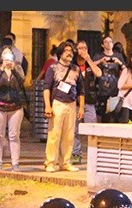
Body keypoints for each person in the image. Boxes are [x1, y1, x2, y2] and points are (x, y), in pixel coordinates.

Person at [43, 41, 84, 173]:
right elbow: (46, 88)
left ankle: (66, 162)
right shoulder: (53, 68)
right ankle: (50, 162)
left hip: (71, 104)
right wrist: (47, 106)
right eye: (66, 50)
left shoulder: (76, 69)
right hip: (58, 103)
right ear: (60, 52)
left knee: (69, 135)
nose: (69, 53)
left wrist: (81, 108)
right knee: (54, 134)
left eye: (71, 51)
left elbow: (81, 91)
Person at [0, 44, 26, 171]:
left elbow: (22, 82)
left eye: (10, 54)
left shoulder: (18, 68)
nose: (8, 56)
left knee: (14, 135)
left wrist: (14, 69)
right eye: (5, 54)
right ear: (1, 56)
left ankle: (15, 163)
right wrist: (2, 69)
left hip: (15, 107)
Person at [72, 39, 103, 163]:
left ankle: (93, 155)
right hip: (75, 102)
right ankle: (76, 154)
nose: (83, 50)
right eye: (80, 48)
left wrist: (89, 60)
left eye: (85, 48)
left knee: (92, 128)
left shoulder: (90, 65)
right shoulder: (73, 65)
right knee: (75, 130)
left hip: (89, 101)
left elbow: (99, 73)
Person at [93, 35, 125, 124]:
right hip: (102, 90)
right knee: (104, 116)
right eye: (106, 42)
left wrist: (119, 62)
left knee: (115, 115)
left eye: (110, 41)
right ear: (102, 45)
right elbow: (90, 66)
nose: (109, 43)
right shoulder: (98, 56)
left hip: (115, 89)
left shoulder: (118, 56)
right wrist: (100, 61)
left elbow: (126, 70)